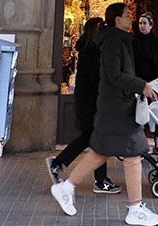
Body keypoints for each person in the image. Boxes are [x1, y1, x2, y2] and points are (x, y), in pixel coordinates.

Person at [50, 3, 158, 226]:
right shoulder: (112, 41)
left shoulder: (119, 38)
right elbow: (113, 74)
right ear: (117, 20)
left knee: (104, 152)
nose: (131, 19)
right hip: (116, 108)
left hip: (118, 106)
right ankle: (135, 208)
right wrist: (141, 85)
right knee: (132, 152)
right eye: (128, 15)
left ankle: (66, 188)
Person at [45, 18, 121, 194]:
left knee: (93, 138)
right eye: (101, 28)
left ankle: (62, 165)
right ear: (95, 31)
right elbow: (98, 79)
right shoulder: (90, 52)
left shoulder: (91, 50)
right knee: (94, 138)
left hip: (91, 102)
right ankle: (96, 179)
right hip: (91, 103)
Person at [132, 12, 158, 83]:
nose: (142, 26)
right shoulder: (133, 40)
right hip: (138, 80)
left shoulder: (157, 42)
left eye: (144, 23)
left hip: (153, 79)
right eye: (140, 23)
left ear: (150, 26)